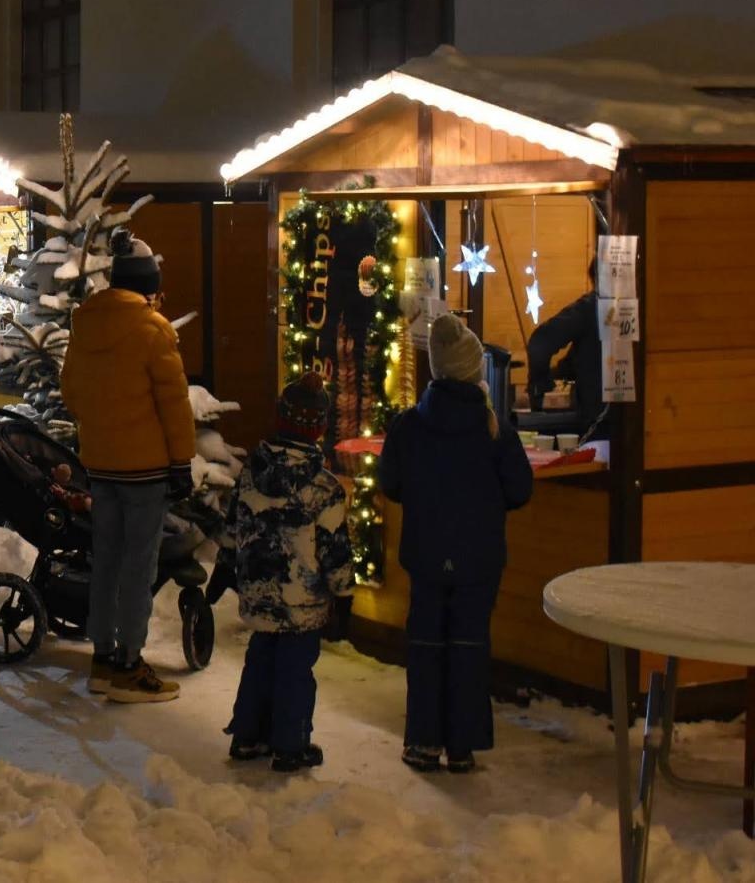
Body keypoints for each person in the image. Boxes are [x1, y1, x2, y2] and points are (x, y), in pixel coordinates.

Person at [379, 313, 533, 775]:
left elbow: (391, 483)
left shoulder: (409, 426)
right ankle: (462, 746)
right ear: (473, 369)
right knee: (469, 645)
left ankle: (423, 742)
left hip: (426, 555)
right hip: (479, 558)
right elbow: (520, 490)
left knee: (426, 644)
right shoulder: (494, 430)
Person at [60, 228, 196, 704]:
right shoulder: (153, 330)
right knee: (138, 567)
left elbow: (72, 393)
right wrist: (181, 462)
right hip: (146, 471)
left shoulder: (85, 325)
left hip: (101, 467)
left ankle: (102, 659)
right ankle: (129, 665)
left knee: (107, 562)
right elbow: (174, 404)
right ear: (148, 285)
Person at [221, 374, 355, 773]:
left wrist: (227, 565)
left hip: (258, 589)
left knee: (260, 661)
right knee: (295, 671)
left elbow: (233, 524)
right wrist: (343, 594)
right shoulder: (323, 487)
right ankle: (290, 746)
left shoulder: (251, 471)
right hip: (302, 599)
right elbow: (334, 548)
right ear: (319, 427)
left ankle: (248, 736)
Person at [526, 257, 605, 438]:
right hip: (627, 419)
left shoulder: (589, 308)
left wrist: (540, 387)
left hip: (594, 420)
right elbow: (572, 362)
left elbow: (540, 344)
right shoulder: (633, 309)